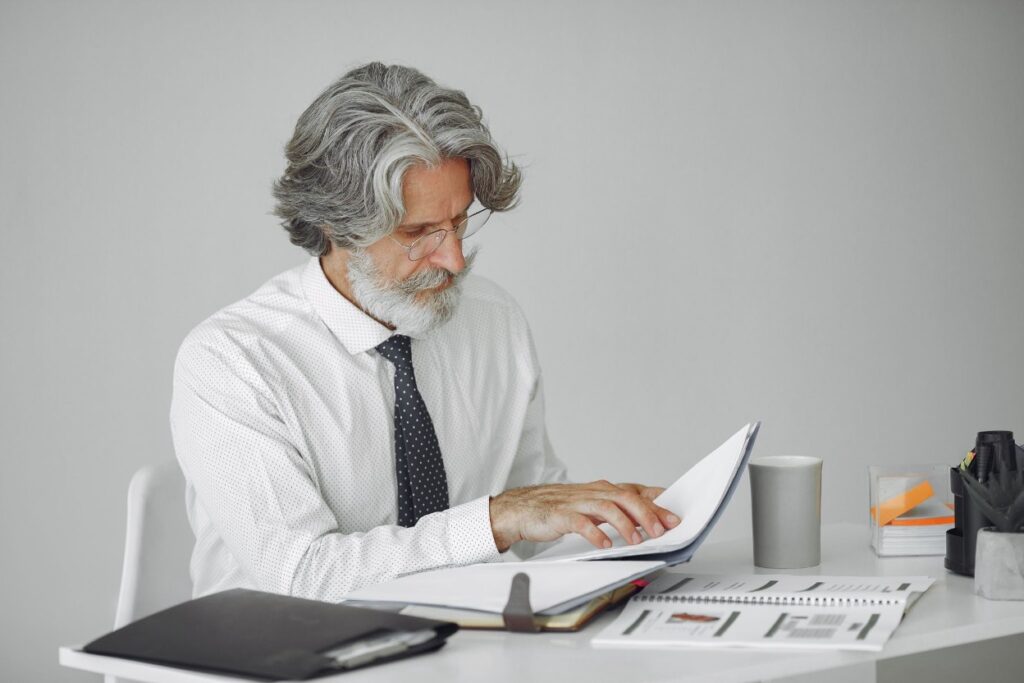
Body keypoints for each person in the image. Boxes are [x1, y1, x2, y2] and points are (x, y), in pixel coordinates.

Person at [170, 62, 680, 601]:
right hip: (283, 656)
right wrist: (496, 520)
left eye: (459, 222)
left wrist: (626, 540)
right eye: (417, 232)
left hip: (464, 649)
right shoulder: (233, 360)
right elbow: (303, 577)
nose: (454, 260)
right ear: (334, 225)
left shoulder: (492, 320)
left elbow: (534, 525)